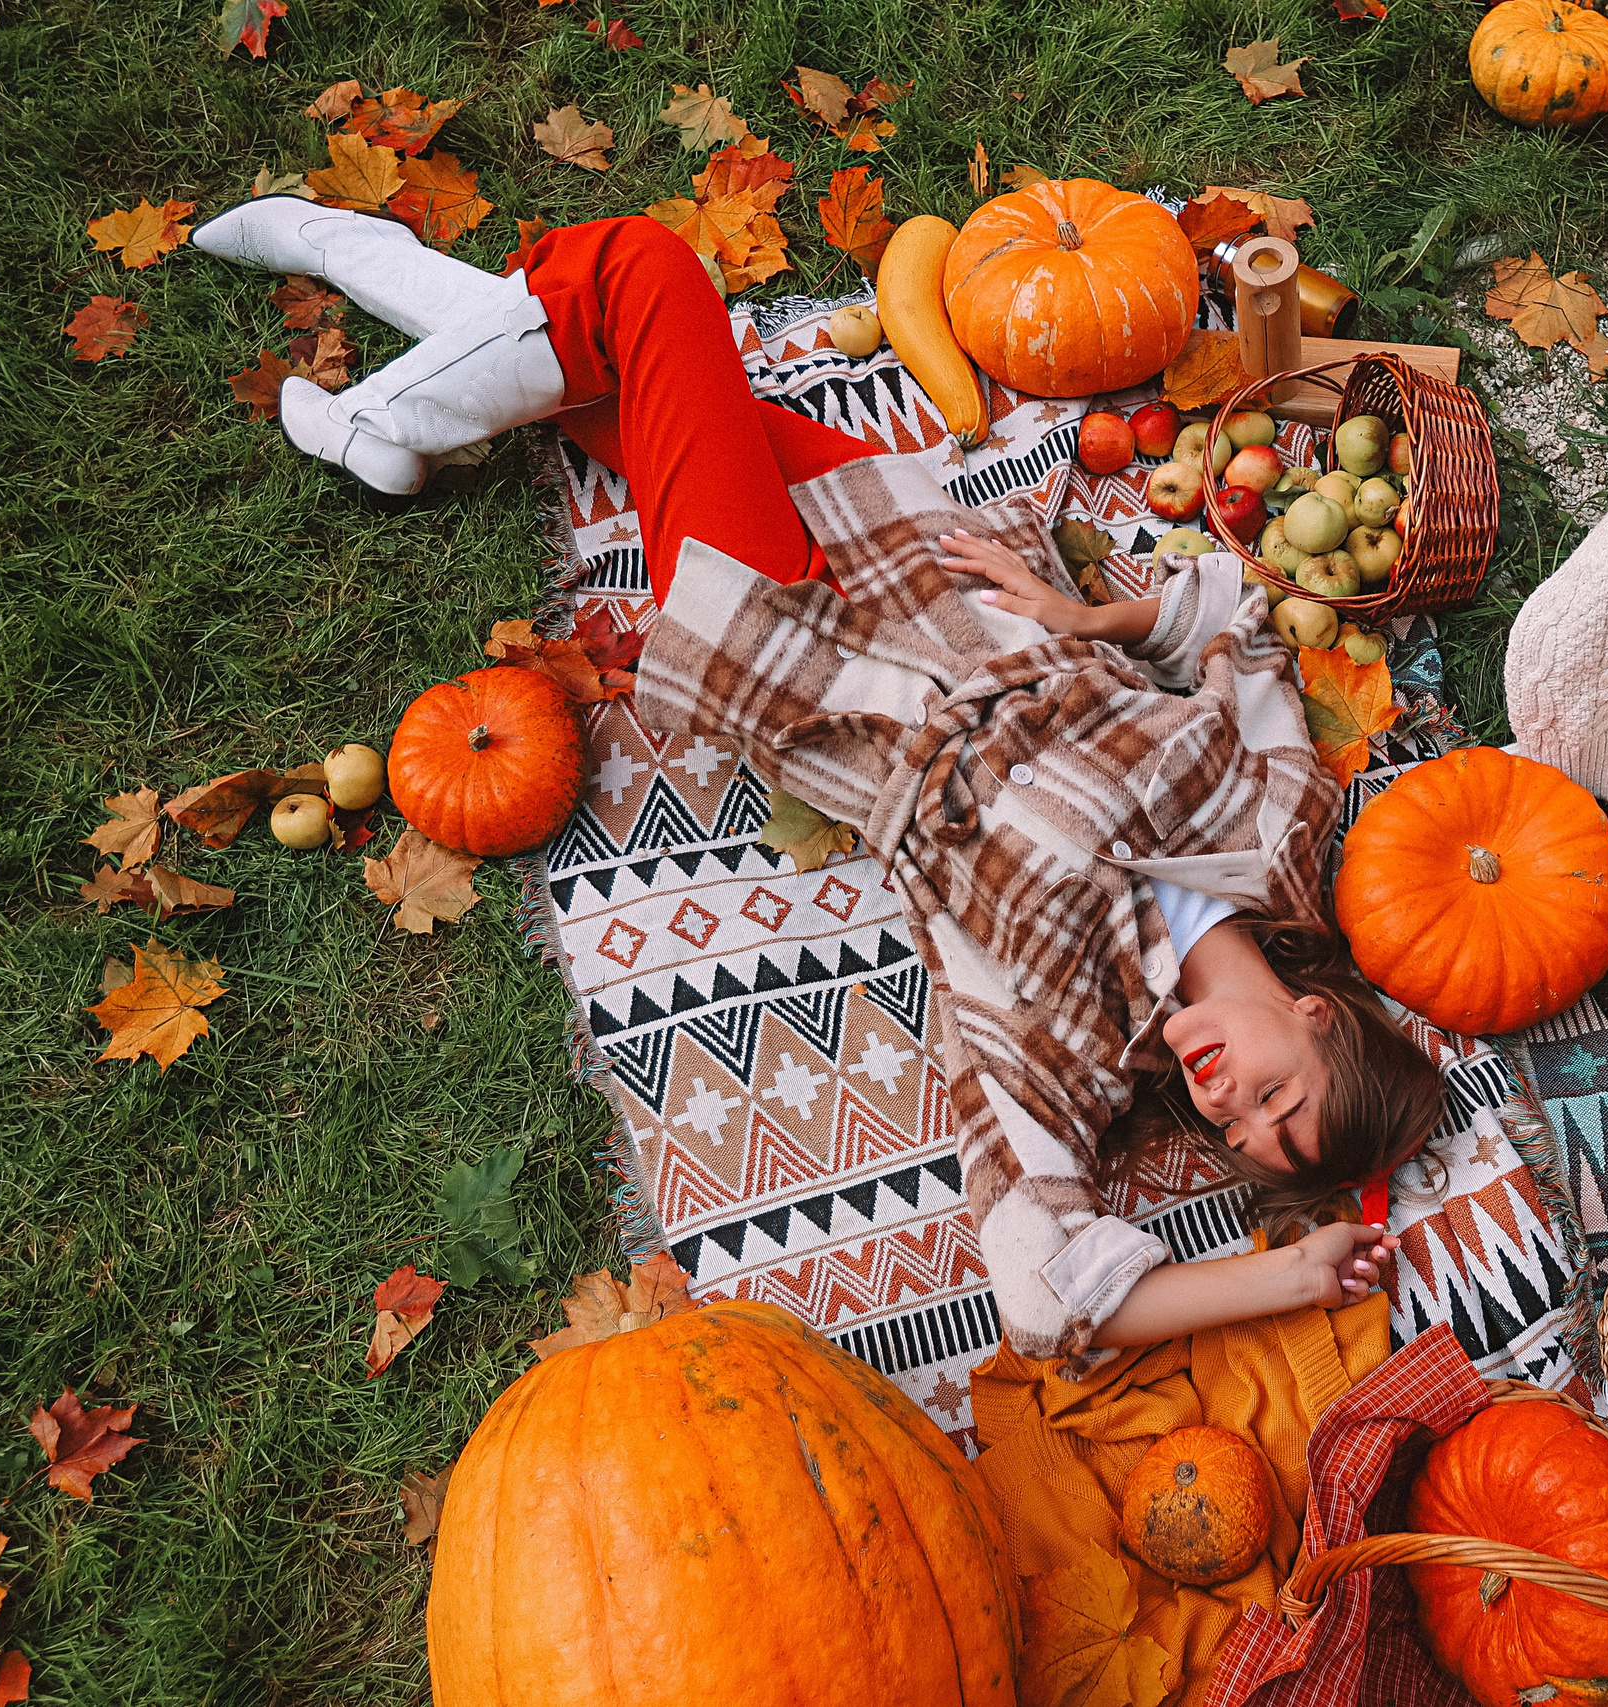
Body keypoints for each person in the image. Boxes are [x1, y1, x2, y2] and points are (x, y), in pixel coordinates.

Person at [193, 202, 1446, 1372]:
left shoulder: (1067, 1041)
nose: (1227, 1104)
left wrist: (1286, 1280)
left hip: (807, 657)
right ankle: (370, 304)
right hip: (922, 556)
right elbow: (1237, 627)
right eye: (1275, 1096)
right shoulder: (1284, 831)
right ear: (1323, 1015)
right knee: (602, 363)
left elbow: (1049, 1295)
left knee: (644, 273)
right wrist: (1089, 614)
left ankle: (378, 401)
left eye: (1238, 1139)